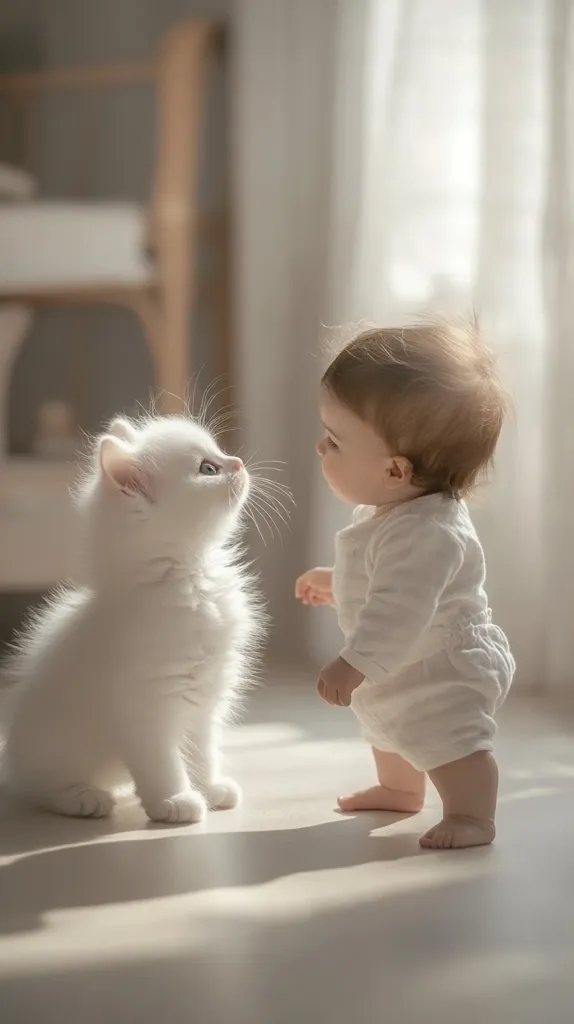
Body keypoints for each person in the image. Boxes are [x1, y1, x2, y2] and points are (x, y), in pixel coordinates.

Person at [295, 316, 514, 849]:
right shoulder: (397, 510)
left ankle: (473, 814)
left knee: (447, 736)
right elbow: (383, 579)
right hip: (404, 659)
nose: (320, 450)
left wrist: (353, 663)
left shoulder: (427, 532)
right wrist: (339, 580)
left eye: (333, 441)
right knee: (388, 723)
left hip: (442, 663)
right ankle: (400, 789)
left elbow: (402, 608)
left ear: (395, 471)